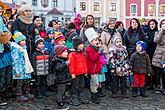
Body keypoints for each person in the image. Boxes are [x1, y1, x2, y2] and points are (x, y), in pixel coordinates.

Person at [10, 31, 34, 102]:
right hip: (19, 68)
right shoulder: (16, 49)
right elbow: (15, 61)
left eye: (24, 40)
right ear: (18, 41)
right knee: (20, 82)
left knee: (27, 81)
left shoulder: (23, 48)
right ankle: (19, 95)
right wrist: (17, 71)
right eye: (22, 40)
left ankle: (26, 92)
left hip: (25, 67)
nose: (24, 42)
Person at [68, 37, 88, 106]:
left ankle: (81, 97)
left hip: (82, 72)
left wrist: (85, 71)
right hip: (75, 73)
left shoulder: (82, 53)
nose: (82, 45)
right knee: (75, 86)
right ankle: (74, 98)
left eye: (82, 44)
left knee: (81, 85)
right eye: (81, 44)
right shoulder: (72, 54)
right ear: (77, 45)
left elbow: (84, 62)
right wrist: (72, 73)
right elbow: (71, 64)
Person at [51, 45, 71, 110]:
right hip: (60, 79)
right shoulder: (57, 61)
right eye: (64, 52)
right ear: (59, 53)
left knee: (63, 91)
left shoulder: (62, 59)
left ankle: (62, 102)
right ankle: (60, 105)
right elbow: (58, 69)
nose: (66, 53)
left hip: (63, 79)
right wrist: (65, 64)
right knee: (60, 92)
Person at [85, 28, 102, 104]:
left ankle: (95, 96)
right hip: (92, 70)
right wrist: (99, 53)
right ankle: (94, 96)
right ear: (91, 41)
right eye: (95, 40)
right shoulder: (89, 49)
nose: (97, 41)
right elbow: (93, 58)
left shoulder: (95, 48)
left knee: (95, 83)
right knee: (95, 83)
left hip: (96, 69)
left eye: (97, 40)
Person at [152, 19, 165, 94]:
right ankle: (157, 86)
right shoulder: (157, 32)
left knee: (164, 73)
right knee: (157, 72)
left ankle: (164, 87)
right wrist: (161, 31)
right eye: (162, 23)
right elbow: (156, 40)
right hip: (158, 54)